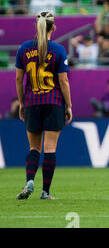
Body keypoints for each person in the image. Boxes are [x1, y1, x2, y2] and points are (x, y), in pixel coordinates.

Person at [15, 11, 73, 200]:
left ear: (36, 26)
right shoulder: (58, 50)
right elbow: (63, 81)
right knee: (50, 149)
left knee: (34, 148)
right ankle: (45, 192)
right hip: (53, 102)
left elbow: (18, 78)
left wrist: (22, 103)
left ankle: (29, 180)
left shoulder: (24, 49)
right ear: (53, 27)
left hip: (32, 102)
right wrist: (69, 105)